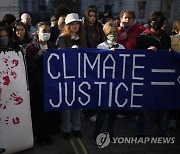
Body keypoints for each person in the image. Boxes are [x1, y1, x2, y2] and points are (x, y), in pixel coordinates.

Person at [135, 11, 171, 137]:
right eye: (154, 20)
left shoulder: (166, 37)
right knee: (145, 104)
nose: (156, 23)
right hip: (146, 75)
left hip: (162, 75)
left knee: (163, 104)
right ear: (150, 21)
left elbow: (168, 53)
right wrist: (147, 51)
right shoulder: (142, 37)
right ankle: (142, 131)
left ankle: (163, 131)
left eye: (159, 21)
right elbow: (136, 56)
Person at [25, 22, 59, 146]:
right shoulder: (31, 48)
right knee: (38, 112)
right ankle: (40, 136)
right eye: (44, 31)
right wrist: (37, 56)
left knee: (49, 112)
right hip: (37, 86)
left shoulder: (53, 47)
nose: (46, 33)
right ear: (37, 32)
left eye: (48, 31)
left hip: (50, 86)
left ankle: (48, 134)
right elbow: (28, 67)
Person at [56, 13, 86, 140]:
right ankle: (66, 129)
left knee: (77, 102)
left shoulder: (82, 38)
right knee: (66, 103)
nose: (75, 26)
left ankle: (77, 128)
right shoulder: (62, 39)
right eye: (72, 24)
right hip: (66, 75)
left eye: (77, 23)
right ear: (67, 26)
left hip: (79, 74)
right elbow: (60, 58)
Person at [93, 22, 125, 142]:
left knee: (114, 112)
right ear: (106, 33)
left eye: (115, 32)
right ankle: (96, 132)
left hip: (116, 83)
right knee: (103, 111)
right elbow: (97, 64)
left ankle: (110, 132)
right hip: (105, 84)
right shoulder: (100, 47)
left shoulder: (121, 47)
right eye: (110, 32)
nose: (113, 34)